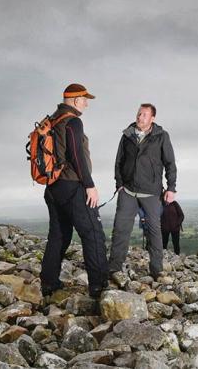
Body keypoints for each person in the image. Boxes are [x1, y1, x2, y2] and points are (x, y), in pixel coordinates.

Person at [39, 83, 108, 298]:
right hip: (72, 185)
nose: (87, 103)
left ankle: (49, 283)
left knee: (58, 235)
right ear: (76, 100)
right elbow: (77, 155)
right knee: (94, 234)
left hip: (52, 187)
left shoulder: (51, 120)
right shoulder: (73, 122)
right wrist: (89, 185)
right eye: (85, 99)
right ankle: (99, 287)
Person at [108, 103, 177, 279]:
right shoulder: (127, 135)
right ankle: (114, 268)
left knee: (154, 230)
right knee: (120, 229)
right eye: (139, 114)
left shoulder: (161, 136)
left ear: (152, 118)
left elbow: (170, 163)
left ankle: (156, 270)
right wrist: (120, 185)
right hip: (128, 192)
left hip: (151, 192)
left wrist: (171, 187)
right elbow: (118, 162)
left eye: (144, 115)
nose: (140, 117)